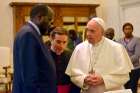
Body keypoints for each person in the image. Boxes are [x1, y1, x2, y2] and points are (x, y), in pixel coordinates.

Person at [65, 17, 133, 93]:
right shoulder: (79, 48)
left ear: (102, 32)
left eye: (92, 31)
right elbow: (73, 75)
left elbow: (124, 76)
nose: (88, 34)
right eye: (87, 30)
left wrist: (104, 79)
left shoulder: (117, 48)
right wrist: (84, 79)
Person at [12, 4, 57, 93]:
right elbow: (29, 76)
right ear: (39, 17)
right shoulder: (28, 34)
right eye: (49, 20)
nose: (51, 25)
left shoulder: (32, 33)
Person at [49, 27, 80, 93]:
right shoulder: (44, 55)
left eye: (64, 42)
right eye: (58, 42)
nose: (61, 46)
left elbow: (75, 76)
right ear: (51, 39)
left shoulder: (71, 55)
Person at [118, 22, 140, 93]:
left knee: (132, 88)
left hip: (134, 69)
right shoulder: (120, 41)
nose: (127, 30)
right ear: (123, 30)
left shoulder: (137, 40)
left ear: (132, 30)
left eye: (129, 29)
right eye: (126, 29)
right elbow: (118, 54)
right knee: (124, 89)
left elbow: (137, 55)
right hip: (123, 70)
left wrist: (126, 62)